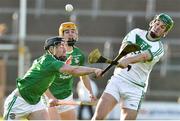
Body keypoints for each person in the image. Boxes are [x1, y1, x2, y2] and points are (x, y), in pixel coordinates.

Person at [92, 13, 174, 120]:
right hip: (118, 80)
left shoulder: (159, 48)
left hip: (136, 88)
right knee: (98, 117)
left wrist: (128, 60)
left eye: (162, 27)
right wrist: (123, 57)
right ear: (152, 23)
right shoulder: (136, 32)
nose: (158, 27)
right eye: (157, 24)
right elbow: (125, 47)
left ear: (165, 32)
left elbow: (144, 56)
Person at [3, 36, 102, 120]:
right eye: (61, 46)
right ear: (51, 49)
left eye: (64, 46)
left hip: (35, 103)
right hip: (19, 101)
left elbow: (41, 82)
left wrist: (51, 97)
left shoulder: (48, 62)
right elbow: (74, 70)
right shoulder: (51, 62)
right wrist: (94, 70)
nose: (64, 49)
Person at [46, 22, 97, 120]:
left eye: (73, 31)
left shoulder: (79, 54)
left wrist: (90, 92)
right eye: (67, 32)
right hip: (50, 97)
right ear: (61, 36)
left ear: (77, 35)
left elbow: (83, 76)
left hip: (66, 97)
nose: (70, 34)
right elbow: (43, 78)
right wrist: (50, 97)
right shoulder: (54, 53)